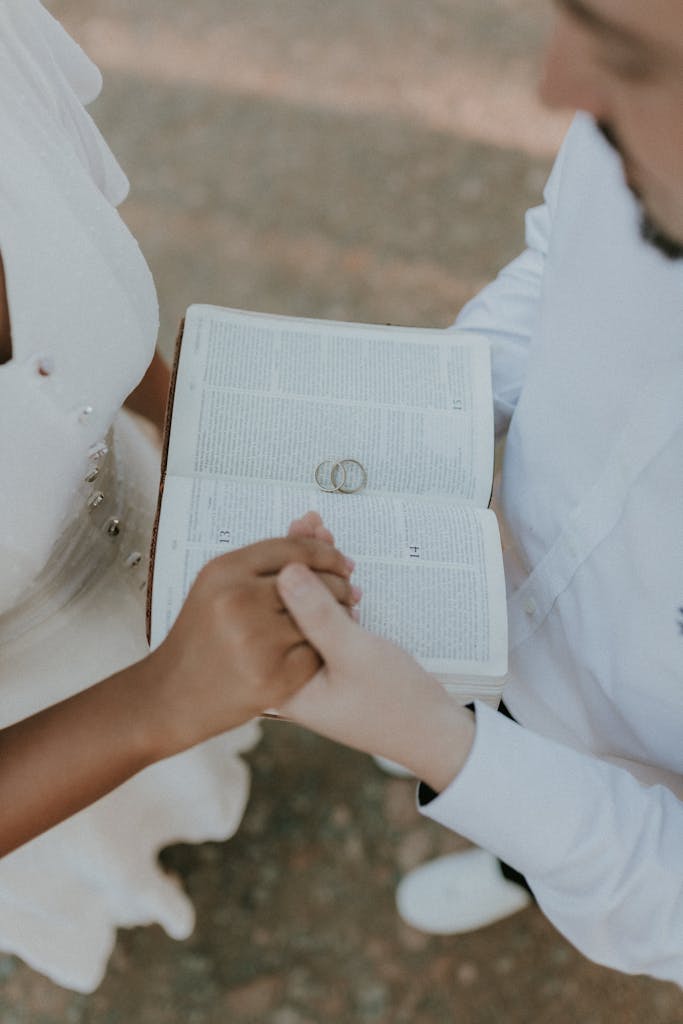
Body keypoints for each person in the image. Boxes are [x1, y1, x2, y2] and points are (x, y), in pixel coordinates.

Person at [274, 0, 683, 988]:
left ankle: (512, 839)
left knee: (520, 801)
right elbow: (558, 257)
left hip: (630, 781)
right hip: (503, 625)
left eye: (625, 56)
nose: (553, 86)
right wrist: (430, 413)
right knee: (497, 756)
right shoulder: (639, 136)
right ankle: (501, 827)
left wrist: (432, 744)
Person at [0, 0, 358, 993]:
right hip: (31, 718)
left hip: (151, 513)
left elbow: (84, 325)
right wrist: (155, 704)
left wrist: (190, 452)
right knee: (102, 829)